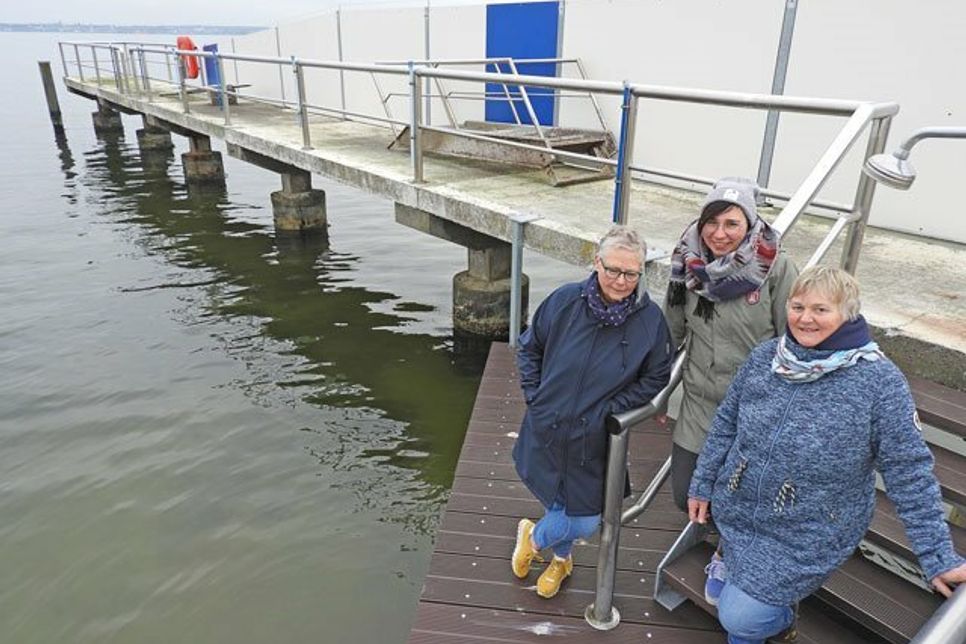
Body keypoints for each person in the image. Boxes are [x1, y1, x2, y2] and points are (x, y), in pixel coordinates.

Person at [687, 266, 966, 644]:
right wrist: (702, 485)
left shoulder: (879, 383)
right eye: (797, 306)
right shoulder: (766, 357)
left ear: (847, 314)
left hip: (808, 528)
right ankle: (731, 559)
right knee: (728, 596)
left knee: (740, 619)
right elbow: (725, 425)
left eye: (821, 309)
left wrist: (937, 556)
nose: (805, 318)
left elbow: (909, 473)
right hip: (738, 505)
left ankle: (778, 617)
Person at [510, 225, 673, 598]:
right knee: (556, 500)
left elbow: (656, 377)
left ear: (641, 273)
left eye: (631, 273)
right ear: (596, 262)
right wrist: (536, 396)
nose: (620, 281)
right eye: (612, 269)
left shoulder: (650, 322)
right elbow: (530, 348)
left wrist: (611, 410)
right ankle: (561, 561)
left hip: (593, 437)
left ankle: (534, 539)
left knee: (584, 519)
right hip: (547, 424)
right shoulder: (564, 301)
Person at [663, 177, 798, 604]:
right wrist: (658, 391)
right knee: (684, 491)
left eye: (731, 223)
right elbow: (671, 331)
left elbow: (793, 339)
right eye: (711, 222)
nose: (719, 233)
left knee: (741, 492)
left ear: (750, 224)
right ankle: (721, 531)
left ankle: (727, 550)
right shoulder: (686, 264)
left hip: (754, 407)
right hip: (700, 401)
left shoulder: (776, 267)